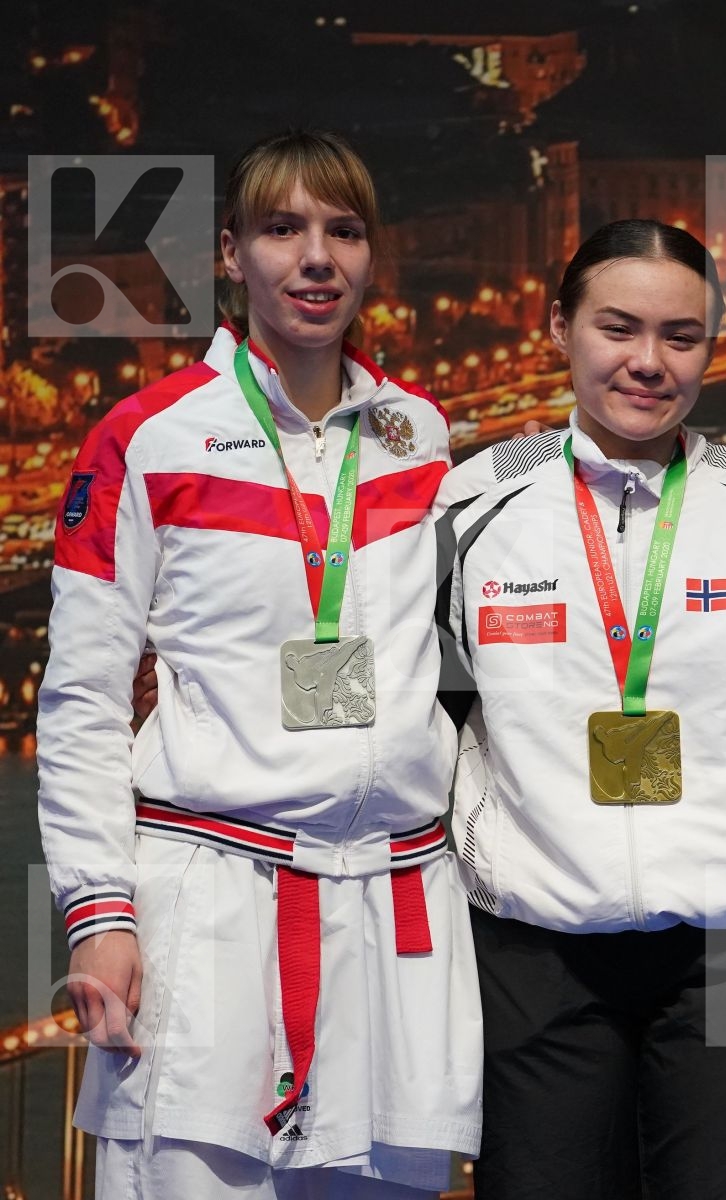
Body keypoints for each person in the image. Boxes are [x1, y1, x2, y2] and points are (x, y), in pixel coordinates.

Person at [38, 130, 481, 1198]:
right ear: (231, 253)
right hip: (213, 909)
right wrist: (100, 914)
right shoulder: (146, 437)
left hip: (395, 914)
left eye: (344, 230)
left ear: (372, 255)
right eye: (283, 229)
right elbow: (84, 698)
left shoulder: (418, 433)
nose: (316, 257)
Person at [433, 218, 726, 1200]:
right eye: (618, 328)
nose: (649, 361)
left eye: (681, 336)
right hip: (537, 952)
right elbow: (434, 705)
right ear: (558, 327)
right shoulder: (471, 502)